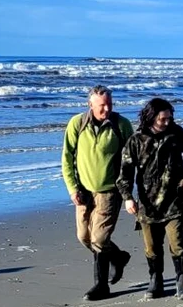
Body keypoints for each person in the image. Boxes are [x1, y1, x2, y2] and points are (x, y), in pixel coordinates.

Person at [117, 97, 183, 300]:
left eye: (170, 117)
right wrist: (128, 198)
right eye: (163, 119)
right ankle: (155, 280)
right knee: (151, 246)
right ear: (151, 117)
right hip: (147, 205)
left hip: (174, 201)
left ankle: (182, 283)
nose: (167, 122)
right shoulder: (136, 140)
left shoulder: (176, 133)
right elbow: (125, 173)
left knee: (178, 243)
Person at [61, 85, 134, 301]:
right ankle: (118, 257)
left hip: (110, 191)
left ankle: (101, 286)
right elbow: (67, 158)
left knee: (100, 239)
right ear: (90, 104)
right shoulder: (77, 123)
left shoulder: (121, 125)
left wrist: (128, 191)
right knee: (84, 237)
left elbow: (131, 160)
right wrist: (72, 188)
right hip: (83, 191)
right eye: (101, 105)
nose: (106, 109)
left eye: (109, 104)